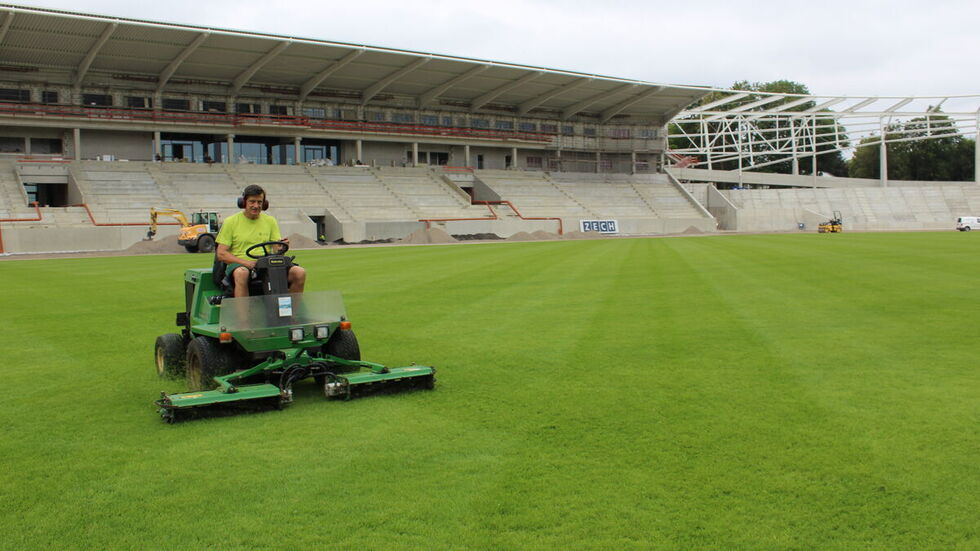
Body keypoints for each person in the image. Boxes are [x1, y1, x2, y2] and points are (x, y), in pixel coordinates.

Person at [215, 184, 306, 297]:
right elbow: (221, 254)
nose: (256, 205)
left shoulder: (270, 221)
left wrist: (281, 246)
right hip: (241, 264)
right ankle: (243, 314)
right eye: (252, 201)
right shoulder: (231, 222)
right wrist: (246, 263)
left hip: (266, 264)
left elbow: (275, 248)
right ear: (244, 202)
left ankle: (290, 312)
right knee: (241, 273)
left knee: (299, 273)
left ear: (264, 204)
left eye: (259, 202)